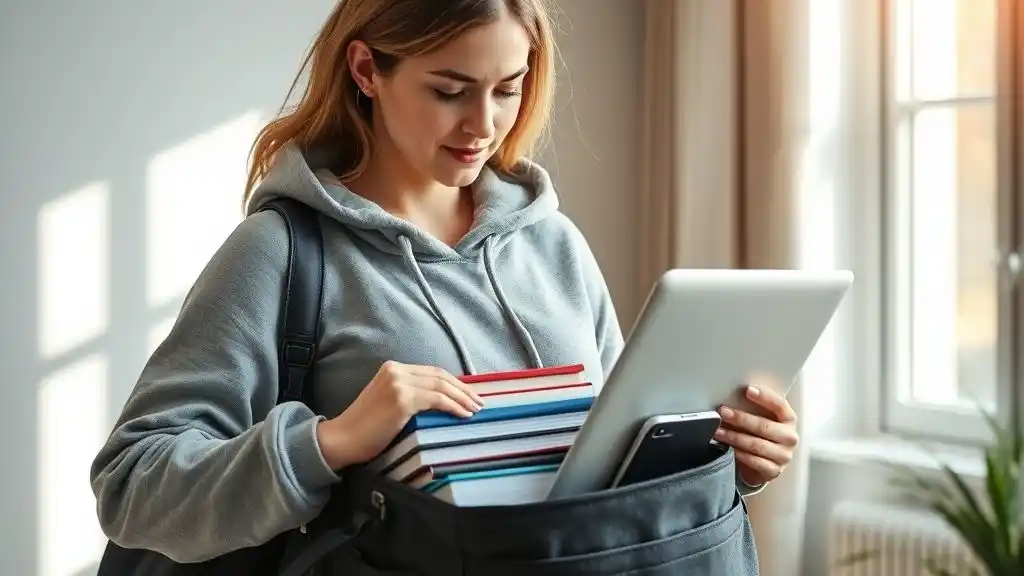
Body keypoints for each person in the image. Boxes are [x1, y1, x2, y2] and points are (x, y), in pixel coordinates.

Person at [90, 0, 801, 565]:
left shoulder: (551, 241)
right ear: (367, 70)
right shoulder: (278, 253)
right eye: (449, 90)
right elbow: (131, 487)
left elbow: (608, 465)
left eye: (507, 90)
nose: (483, 125)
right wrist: (331, 441)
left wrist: (730, 459)